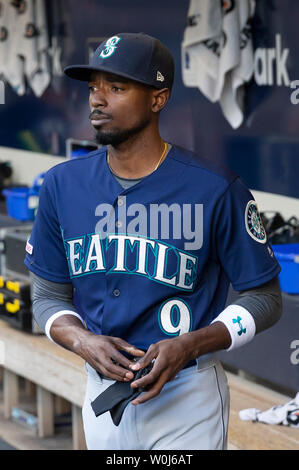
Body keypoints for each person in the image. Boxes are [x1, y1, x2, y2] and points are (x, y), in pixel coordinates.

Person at [24, 32, 282, 450]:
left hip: (186, 396)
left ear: (158, 99)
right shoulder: (61, 184)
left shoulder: (214, 188)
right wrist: (81, 339)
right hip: (102, 393)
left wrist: (192, 343)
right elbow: (48, 294)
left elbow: (266, 297)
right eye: (93, 87)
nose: (97, 99)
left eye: (117, 87)